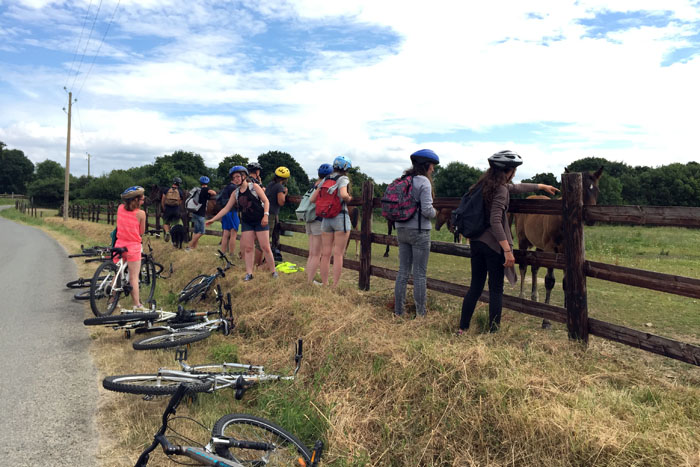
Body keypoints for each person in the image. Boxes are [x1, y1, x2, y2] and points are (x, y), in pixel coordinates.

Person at [457, 150, 559, 334]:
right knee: (496, 290)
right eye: (513, 170)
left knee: (475, 287)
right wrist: (507, 250)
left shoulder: (483, 185)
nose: (514, 174)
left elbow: (517, 188)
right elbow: (496, 221)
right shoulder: (501, 190)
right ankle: (493, 332)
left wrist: (540, 186)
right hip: (493, 246)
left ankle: (462, 328)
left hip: (476, 243)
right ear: (508, 171)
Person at [206, 166, 277, 281]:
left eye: (238, 176)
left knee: (265, 247)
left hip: (260, 220)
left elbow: (266, 201)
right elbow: (226, 208)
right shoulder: (235, 193)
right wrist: (213, 219)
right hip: (247, 222)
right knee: (248, 248)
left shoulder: (254, 187)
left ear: (244, 176)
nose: (236, 179)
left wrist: (266, 215)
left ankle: (273, 271)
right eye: (234, 178)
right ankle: (249, 273)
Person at [393, 149, 439, 319]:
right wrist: (436, 213)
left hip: (401, 228)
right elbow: (427, 210)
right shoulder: (424, 182)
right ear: (426, 165)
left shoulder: (404, 180)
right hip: (419, 231)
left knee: (403, 271)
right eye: (432, 166)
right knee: (419, 274)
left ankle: (399, 312)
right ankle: (421, 314)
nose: (433, 170)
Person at [309, 156, 352, 288]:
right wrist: (349, 198)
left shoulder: (326, 179)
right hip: (340, 217)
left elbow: (312, 199)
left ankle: (325, 283)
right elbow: (344, 195)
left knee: (326, 254)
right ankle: (335, 285)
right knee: (338, 254)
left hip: (326, 219)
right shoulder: (343, 179)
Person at [115, 186, 146, 308]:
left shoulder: (120, 208)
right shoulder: (141, 214)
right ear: (135, 200)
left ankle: (113, 300)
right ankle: (137, 305)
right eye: (142, 199)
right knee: (133, 277)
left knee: (117, 273)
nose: (143, 201)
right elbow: (141, 232)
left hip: (119, 244)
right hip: (133, 247)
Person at [305, 163, 333, 284]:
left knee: (312, 253)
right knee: (317, 254)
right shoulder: (323, 186)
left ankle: (307, 278)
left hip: (309, 218)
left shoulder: (313, 185)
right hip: (318, 219)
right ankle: (310, 281)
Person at [187, 176, 217, 251]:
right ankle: (189, 245)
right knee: (202, 232)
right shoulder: (205, 189)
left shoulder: (198, 190)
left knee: (196, 231)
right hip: (201, 214)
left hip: (195, 212)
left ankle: (193, 247)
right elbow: (214, 192)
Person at [218, 167, 242, 257]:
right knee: (233, 233)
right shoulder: (234, 188)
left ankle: (223, 253)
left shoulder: (227, 187)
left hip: (225, 212)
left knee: (225, 233)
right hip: (232, 212)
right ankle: (231, 253)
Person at [266, 166, 290, 253]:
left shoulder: (270, 184)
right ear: (285, 179)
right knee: (267, 235)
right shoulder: (279, 187)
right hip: (271, 213)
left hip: (266, 211)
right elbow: (281, 202)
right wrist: (284, 193)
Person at [161, 177, 184, 242]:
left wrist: (164, 207)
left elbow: (163, 199)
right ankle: (174, 237)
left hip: (167, 209)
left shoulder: (166, 190)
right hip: (176, 210)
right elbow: (180, 202)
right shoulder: (180, 191)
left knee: (165, 223)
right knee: (175, 225)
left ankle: (167, 232)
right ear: (179, 184)